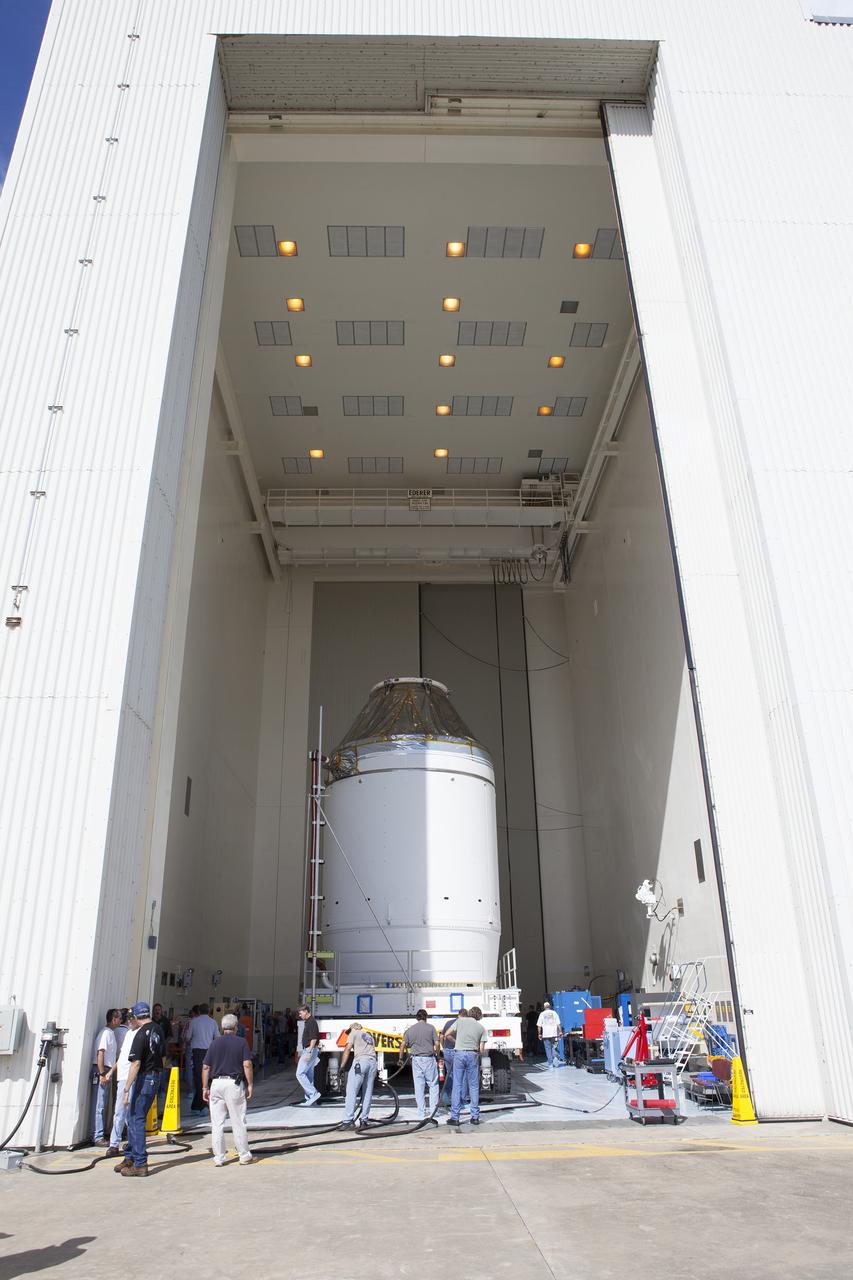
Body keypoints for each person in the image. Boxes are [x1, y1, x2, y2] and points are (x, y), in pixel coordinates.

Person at [115, 1002, 164, 1177]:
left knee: (136, 1118)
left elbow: (136, 1063)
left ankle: (140, 1162)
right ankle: (130, 1156)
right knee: (132, 1117)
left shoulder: (140, 1034)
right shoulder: (158, 1029)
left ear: (135, 1017)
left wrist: (127, 1088)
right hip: (155, 1076)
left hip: (145, 1078)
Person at [201, 1013, 255, 1166]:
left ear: (222, 1027)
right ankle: (243, 1154)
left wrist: (205, 1087)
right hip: (233, 1084)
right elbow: (247, 1064)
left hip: (216, 1084)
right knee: (238, 1120)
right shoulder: (242, 1042)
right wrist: (250, 1084)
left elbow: (205, 1067)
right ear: (236, 1027)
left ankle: (219, 1157)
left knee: (217, 1123)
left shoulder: (215, 1043)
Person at [106, 1009, 139, 1156]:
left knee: (128, 1113)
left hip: (131, 1078)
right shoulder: (128, 1035)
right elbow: (122, 1057)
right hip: (122, 1077)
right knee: (120, 1112)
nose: (129, 1020)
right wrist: (112, 1071)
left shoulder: (138, 1034)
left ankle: (130, 1142)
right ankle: (115, 1144)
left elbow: (137, 1061)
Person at [449, 1006, 488, 1127]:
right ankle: (475, 1117)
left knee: (457, 1084)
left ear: (470, 1013)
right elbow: (481, 1050)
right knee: (474, 1086)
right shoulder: (481, 1028)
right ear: (479, 1016)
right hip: (473, 1055)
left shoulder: (460, 1021)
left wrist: (458, 1042)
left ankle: (455, 1118)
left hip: (459, 1053)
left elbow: (447, 1034)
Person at [338, 1022, 378, 1131]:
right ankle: (364, 1120)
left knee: (351, 1091)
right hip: (373, 1062)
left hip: (361, 1062)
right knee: (367, 1092)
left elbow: (347, 1049)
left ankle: (348, 1121)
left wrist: (342, 1066)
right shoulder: (369, 1036)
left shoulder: (353, 1033)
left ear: (353, 1028)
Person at [401, 1009, 439, 1121]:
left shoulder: (410, 1030)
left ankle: (421, 1112)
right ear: (426, 1017)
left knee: (419, 1087)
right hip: (429, 1059)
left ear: (417, 1018)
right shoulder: (431, 1028)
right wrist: (437, 1054)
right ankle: (433, 1111)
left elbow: (403, 1045)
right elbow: (437, 1043)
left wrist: (400, 1058)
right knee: (433, 1085)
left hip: (416, 1060)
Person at [91, 1008, 121, 1145]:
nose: (120, 1021)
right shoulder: (106, 1034)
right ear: (114, 1019)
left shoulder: (110, 1033)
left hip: (107, 1070)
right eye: (119, 1018)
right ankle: (98, 1136)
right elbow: (100, 1054)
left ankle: (100, 1133)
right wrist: (102, 1073)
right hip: (102, 1071)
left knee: (103, 1104)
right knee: (99, 1105)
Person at [187, 1003, 219, 1112]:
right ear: (209, 1011)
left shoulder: (193, 1022)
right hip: (209, 1052)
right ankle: (200, 1104)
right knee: (207, 1078)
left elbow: (187, 1037)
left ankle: (200, 1104)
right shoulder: (213, 1022)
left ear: (199, 1011)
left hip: (196, 1053)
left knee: (198, 1078)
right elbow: (217, 1037)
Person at [295, 1004, 321, 1105]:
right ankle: (311, 1098)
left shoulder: (311, 1022)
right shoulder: (308, 1022)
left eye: (301, 1013)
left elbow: (314, 1038)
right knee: (309, 1075)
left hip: (310, 1050)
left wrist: (309, 1051)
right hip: (311, 1050)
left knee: (300, 1074)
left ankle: (313, 1093)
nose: (300, 1015)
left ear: (306, 1011)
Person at [537, 1001, 563, 1069]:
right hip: (555, 1035)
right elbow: (558, 1023)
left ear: (544, 1007)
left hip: (545, 1035)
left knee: (548, 1048)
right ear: (550, 1006)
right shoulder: (554, 1013)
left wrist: (539, 1034)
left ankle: (550, 1064)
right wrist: (560, 1032)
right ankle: (555, 1057)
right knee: (555, 1046)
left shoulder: (542, 1014)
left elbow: (539, 1026)